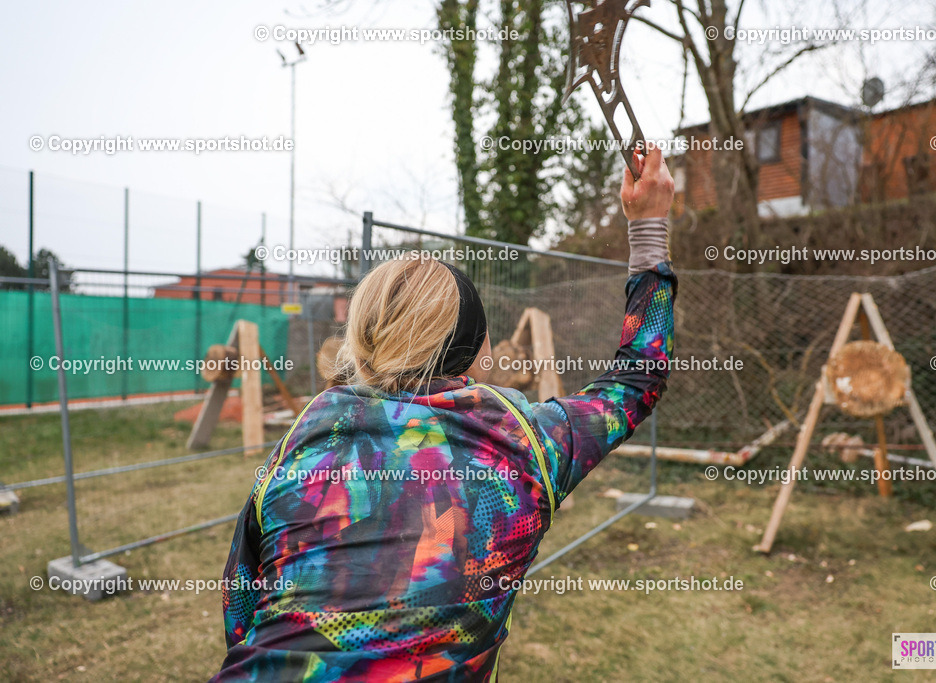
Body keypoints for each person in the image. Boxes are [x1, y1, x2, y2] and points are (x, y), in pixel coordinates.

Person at [211, 146, 678, 682]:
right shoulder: (525, 440)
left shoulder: (306, 432)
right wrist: (648, 226)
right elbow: (639, 377)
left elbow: (241, 606)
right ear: (477, 353)